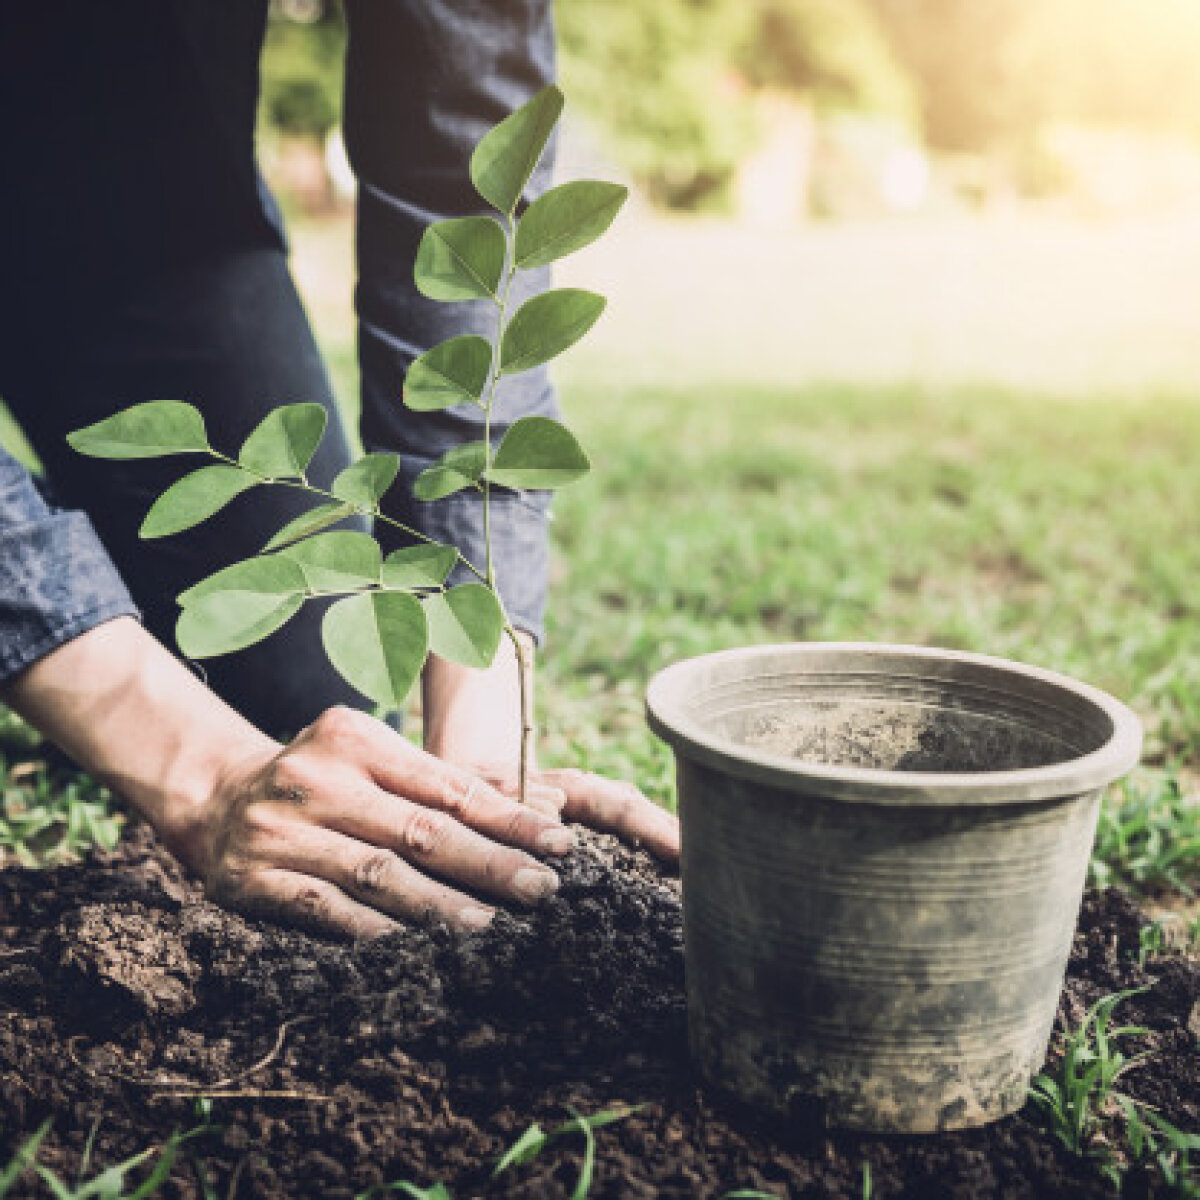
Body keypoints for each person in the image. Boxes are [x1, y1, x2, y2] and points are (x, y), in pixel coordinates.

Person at [0, 2, 679, 938]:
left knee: (317, 689)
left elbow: (455, 143)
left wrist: (476, 762)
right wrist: (200, 771)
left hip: (143, 202)